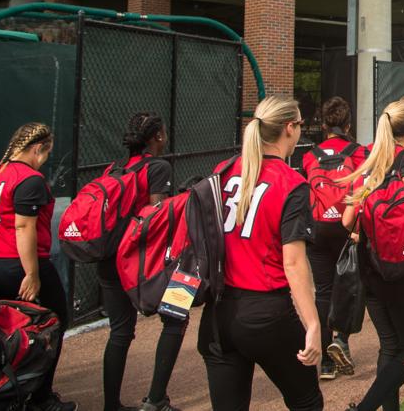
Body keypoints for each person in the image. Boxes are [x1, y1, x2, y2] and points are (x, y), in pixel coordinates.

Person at [197, 97, 321, 411]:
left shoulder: (224, 170)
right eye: (300, 125)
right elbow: (293, 262)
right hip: (266, 312)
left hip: (218, 313)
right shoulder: (291, 183)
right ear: (289, 128)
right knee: (307, 403)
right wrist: (313, 324)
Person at [0, 123, 75, 411]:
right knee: (53, 323)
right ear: (37, 148)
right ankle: (40, 399)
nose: (45, 159)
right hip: (14, 265)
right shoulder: (30, 178)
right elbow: (23, 227)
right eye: (45, 153)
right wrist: (32, 273)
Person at [341, 100, 404, 411]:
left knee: (391, 346)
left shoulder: (371, 156)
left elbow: (347, 219)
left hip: (368, 263)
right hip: (395, 262)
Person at [100, 113, 183, 411]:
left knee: (120, 331)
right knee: (176, 316)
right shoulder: (158, 167)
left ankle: (112, 405)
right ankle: (156, 400)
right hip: (140, 261)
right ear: (157, 136)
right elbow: (156, 217)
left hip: (109, 258)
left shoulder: (115, 168)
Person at [303, 96, 363, 382]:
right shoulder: (358, 152)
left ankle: (326, 363)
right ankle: (341, 341)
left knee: (324, 291)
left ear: (324, 124)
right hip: (346, 225)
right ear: (348, 124)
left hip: (317, 227)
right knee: (351, 285)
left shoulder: (310, 155)